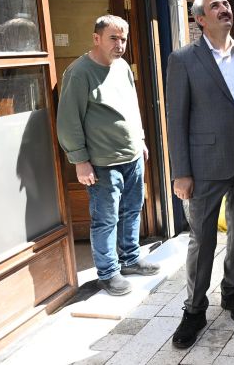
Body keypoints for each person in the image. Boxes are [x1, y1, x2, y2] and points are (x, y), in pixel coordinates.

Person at [166, 0, 234, 348]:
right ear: (200, 19)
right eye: (216, 6)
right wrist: (181, 171)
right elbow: (175, 120)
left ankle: (232, 291)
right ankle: (194, 308)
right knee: (203, 238)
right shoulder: (182, 60)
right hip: (205, 164)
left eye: (226, 3)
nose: (225, 9)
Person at [57, 15, 157, 297]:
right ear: (96, 38)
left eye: (123, 38)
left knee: (132, 209)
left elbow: (131, 106)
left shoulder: (123, 66)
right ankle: (107, 272)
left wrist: (140, 138)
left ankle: (130, 258)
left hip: (133, 155)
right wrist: (80, 160)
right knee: (106, 219)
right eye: (114, 38)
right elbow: (68, 120)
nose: (120, 44)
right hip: (102, 163)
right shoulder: (79, 72)